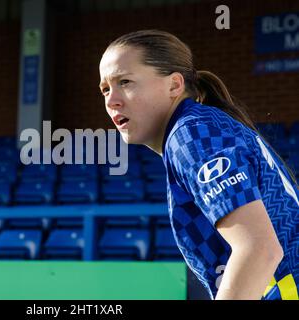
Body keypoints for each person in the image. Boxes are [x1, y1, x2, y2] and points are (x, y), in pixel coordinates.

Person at [98, 29, 299, 300]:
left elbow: (259, 249)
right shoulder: (197, 128)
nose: (112, 101)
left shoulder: (191, 134)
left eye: (125, 82)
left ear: (174, 85)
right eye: (105, 89)